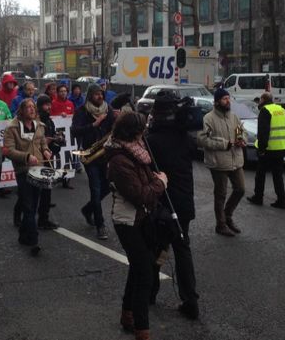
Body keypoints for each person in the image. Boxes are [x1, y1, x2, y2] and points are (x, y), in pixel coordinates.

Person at [105, 112, 168, 340]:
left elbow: (145, 182)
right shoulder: (120, 160)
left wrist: (153, 180)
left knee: (139, 266)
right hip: (127, 221)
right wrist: (160, 183)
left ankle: (128, 314)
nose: (144, 135)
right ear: (133, 133)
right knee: (144, 273)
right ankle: (142, 329)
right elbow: (141, 195)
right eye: (142, 131)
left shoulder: (135, 152)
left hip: (141, 218)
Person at [145, 92, 199, 320]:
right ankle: (190, 301)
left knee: (156, 248)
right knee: (182, 249)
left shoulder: (152, 139)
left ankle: (150, 293)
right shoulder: (184, 136)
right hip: (184, 202)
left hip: (162, 203)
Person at [3, 98, 52, 256]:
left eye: (33, 107)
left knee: (33, 204)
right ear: (21, 110)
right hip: (23, 170)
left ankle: (23, 235)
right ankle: (34, 240)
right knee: (29, 205)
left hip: (39, 169)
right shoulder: (12, 128)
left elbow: (42, 142)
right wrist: (26, 156)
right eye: (28, 107)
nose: (32, 109)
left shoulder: (39, 126)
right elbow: (8, 151)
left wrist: (46, 150)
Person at [197, 87, 246, 237]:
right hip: (218, 162)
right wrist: (225, 144)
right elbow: (202, 139)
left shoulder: (234, 116)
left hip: (236, 160)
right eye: (225, 99)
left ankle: (227, 215)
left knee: (240, 189)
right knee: (221, 194)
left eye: (228, 98)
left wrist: (241, 139)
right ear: (217, 101)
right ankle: (221, 224)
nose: (228, 101)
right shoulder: (208, 118)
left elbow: (240, 130)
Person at [72, 83, 116, 240]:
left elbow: (113, 129)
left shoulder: (108, 109)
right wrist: (93, 125)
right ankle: (100, 225)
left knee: (107, 188)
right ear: (90, 95)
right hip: (90, 156)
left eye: (101, 94)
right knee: (96, 190)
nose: (100, 96)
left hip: (105, 155)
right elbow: (74, 130)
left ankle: (88, 209)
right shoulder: (82, 111)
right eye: (97, 94)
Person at [247, 92, 285, 209]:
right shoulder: (281, 109)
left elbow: (263, 132)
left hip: (269, 149)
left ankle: (258, 197)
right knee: (278, 176)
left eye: (260, 99)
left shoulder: (265, 110)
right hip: (280, 147)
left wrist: (261, 149)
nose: (259, 102)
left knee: (260, 174)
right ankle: (281, 200)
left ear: (263, 99)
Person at [36, 95, 63, 230]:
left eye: (49, 104)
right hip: (36, 159)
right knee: (32, 191)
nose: (49, 107)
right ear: (40, 106)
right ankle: (20, 216)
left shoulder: (50, 121)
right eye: (46, 105)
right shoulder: (37, 121)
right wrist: (45, 142)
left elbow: (52, 141)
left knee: (47, 191)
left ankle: (43, 218)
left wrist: (57, 140)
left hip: (48, 158)